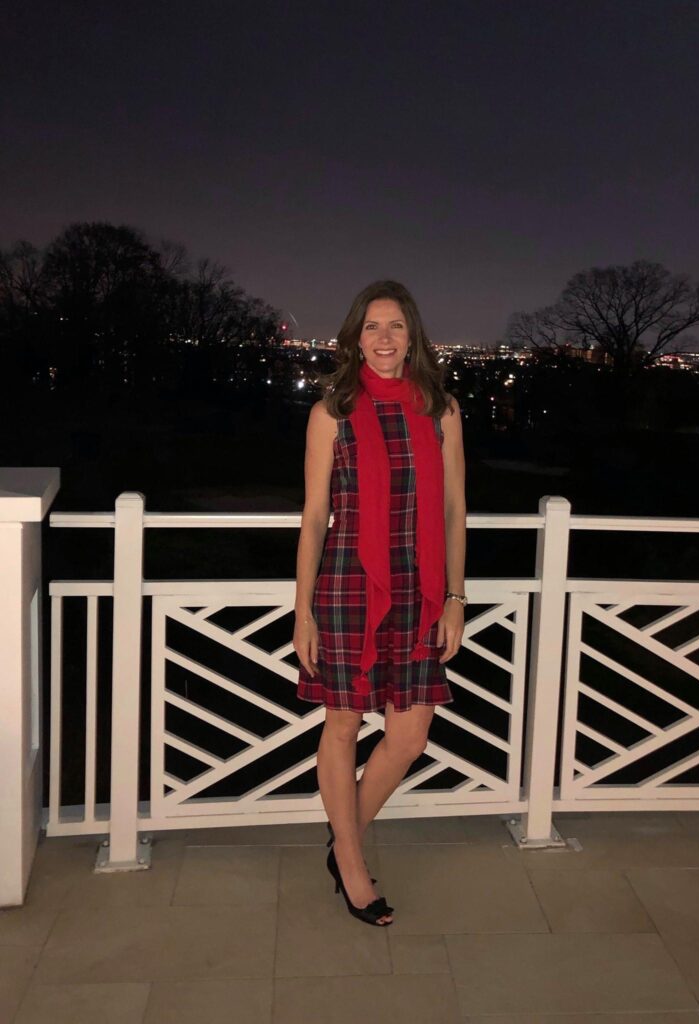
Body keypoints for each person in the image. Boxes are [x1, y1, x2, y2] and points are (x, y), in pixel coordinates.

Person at [293, 280, 467, 926]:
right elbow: (314, 517)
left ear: (413, 336)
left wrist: (455, 597)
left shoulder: (441, 411)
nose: (384, 338)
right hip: (346, 585)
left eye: (396, 326)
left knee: (409, 735)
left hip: (420, 591)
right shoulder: (330, 414)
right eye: (372, 327)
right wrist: (302, 607)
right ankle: (353, 866)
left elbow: (454, 512)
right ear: (355, 337)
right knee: (343, 726)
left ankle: (345, 841)